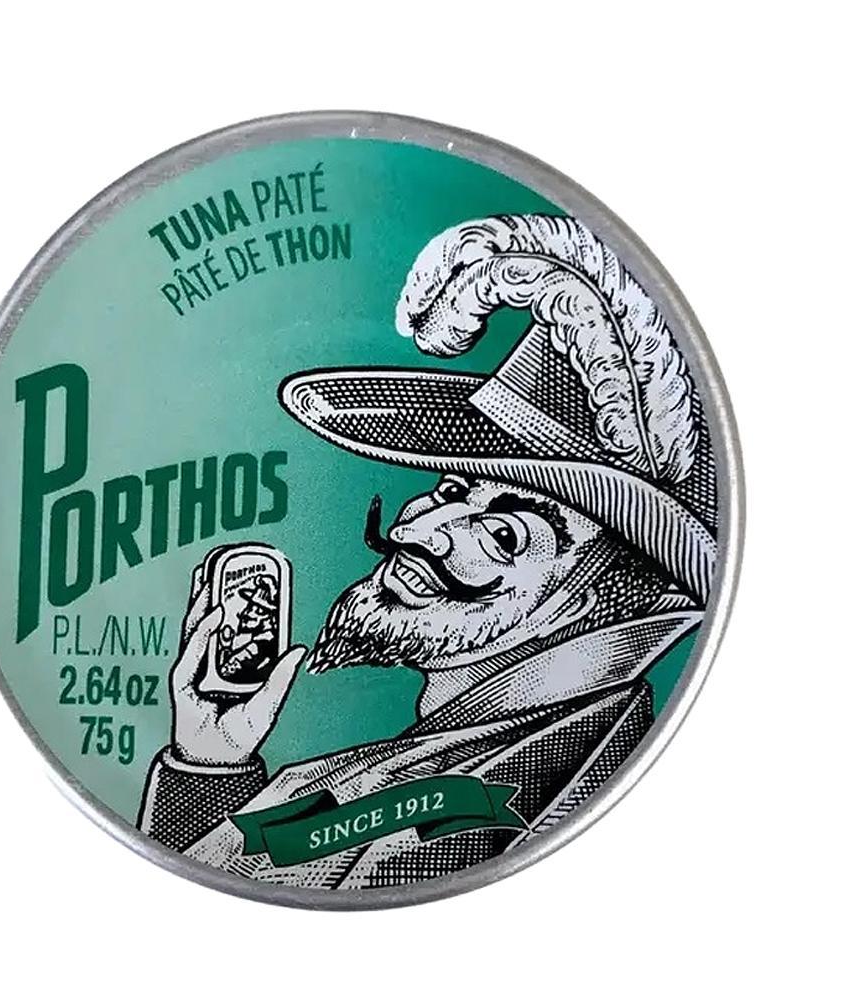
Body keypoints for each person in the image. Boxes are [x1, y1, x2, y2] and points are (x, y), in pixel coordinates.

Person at [138, 213, 718, 890]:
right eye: (451, 490)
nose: (423, 528)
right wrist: (209, 761)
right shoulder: (462, 753)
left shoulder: (504, 796)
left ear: (590, 604)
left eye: (504, 535)